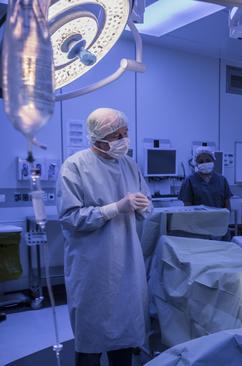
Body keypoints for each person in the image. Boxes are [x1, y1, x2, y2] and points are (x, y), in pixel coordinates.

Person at [57, 108, 152, 366]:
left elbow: (146, 200)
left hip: (127, 263)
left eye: (125, 133)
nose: (123, 139)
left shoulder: (130, 165)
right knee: (91, 336)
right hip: (92, 267)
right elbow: (71, 218)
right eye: (116, 134)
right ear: (97, 137)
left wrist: (144, 206)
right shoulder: (75, 166)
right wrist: (115, 208)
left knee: (124, 333)